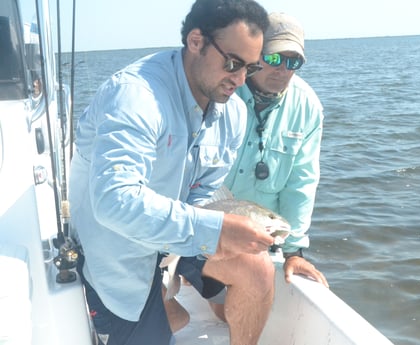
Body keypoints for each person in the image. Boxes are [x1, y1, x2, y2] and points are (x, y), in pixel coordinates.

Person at [69, 1, 274, 344]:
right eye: (233, 63)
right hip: (117, 253)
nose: (239, 80)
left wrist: (219, 228)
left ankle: (170, 298)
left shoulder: (233, 113)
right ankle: (161, 305)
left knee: (258, 270)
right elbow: (113, 202)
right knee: (165, 325)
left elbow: (204, 191)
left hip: (177, 236)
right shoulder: (135, 97)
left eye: (249, 69)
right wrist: (215, 231)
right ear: (196, 41)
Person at [226, 11, 329, 291]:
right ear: (255, 55)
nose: (282, 69)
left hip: (257, 240)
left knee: (245, 299)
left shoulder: (307, 107)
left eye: (292, 61)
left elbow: (302, 182)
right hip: (205, 224)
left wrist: (293, 251)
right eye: (273, 58)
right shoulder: (223, 91)